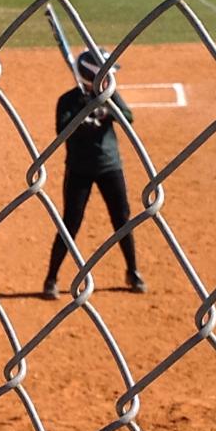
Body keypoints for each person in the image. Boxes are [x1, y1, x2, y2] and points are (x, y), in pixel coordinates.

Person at [42, 48, 146, 300]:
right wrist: (84, 113)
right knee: (71, 223)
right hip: (79, 169)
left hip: (110, 166)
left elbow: (128, 117)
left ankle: (132, 271)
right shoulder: (68, 100)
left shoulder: (109, 96)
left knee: (121, 218)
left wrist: (105, 108)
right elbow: (62, 130)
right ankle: (51, 278)